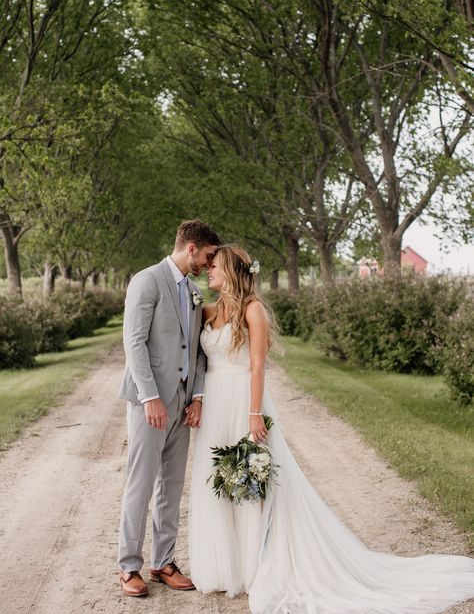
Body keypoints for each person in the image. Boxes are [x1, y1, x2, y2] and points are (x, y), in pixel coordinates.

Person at [189, 244, 474, 614]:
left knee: (254, 485)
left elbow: (258, 367)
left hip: (243, 402)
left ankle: (256, 565)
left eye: (214, 266)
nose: (208, 270)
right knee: (219, 482)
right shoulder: (208, 310)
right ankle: (228, 566)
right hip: (214, 406)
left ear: (232, 271)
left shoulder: (252, 310)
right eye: (207, 265)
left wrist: (254, 414)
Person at [118, 219, 220, 597]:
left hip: (181, 404)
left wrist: (197, 396)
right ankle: (129, 566)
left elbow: (198, 351)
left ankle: (163, 561)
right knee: (140, 483)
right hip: (151, 403)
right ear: (191, 247)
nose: (209, 266)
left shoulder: (193, 293)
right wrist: (150, 397)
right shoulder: (146, 280)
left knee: (172, 486)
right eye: (208, 257)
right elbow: (134, 344)